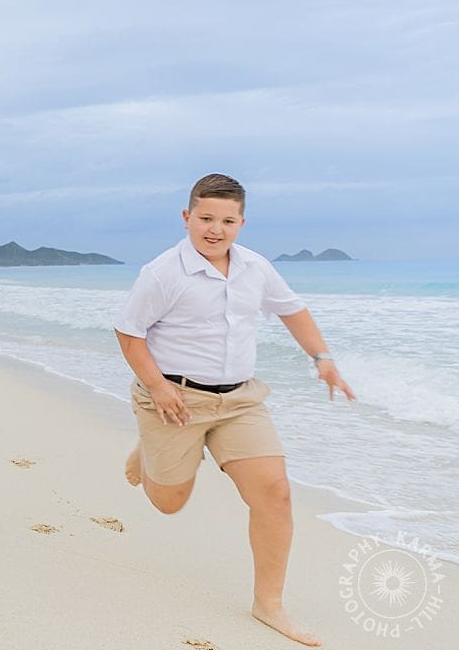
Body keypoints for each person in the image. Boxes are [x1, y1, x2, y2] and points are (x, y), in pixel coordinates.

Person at [113, 173, 354, 648]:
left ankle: (269, 604)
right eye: (205, 218)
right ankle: (148, 450)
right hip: (175, 399)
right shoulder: (162, 273)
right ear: (187, 218)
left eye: (226, 220)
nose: (215, 229)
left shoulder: (255, 268)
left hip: (240, 400)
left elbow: (293, 310)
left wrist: (323, 359)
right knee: (169, 502)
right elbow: (129, 332)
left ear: (241, 222)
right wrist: (157, 387)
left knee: (275, 494)